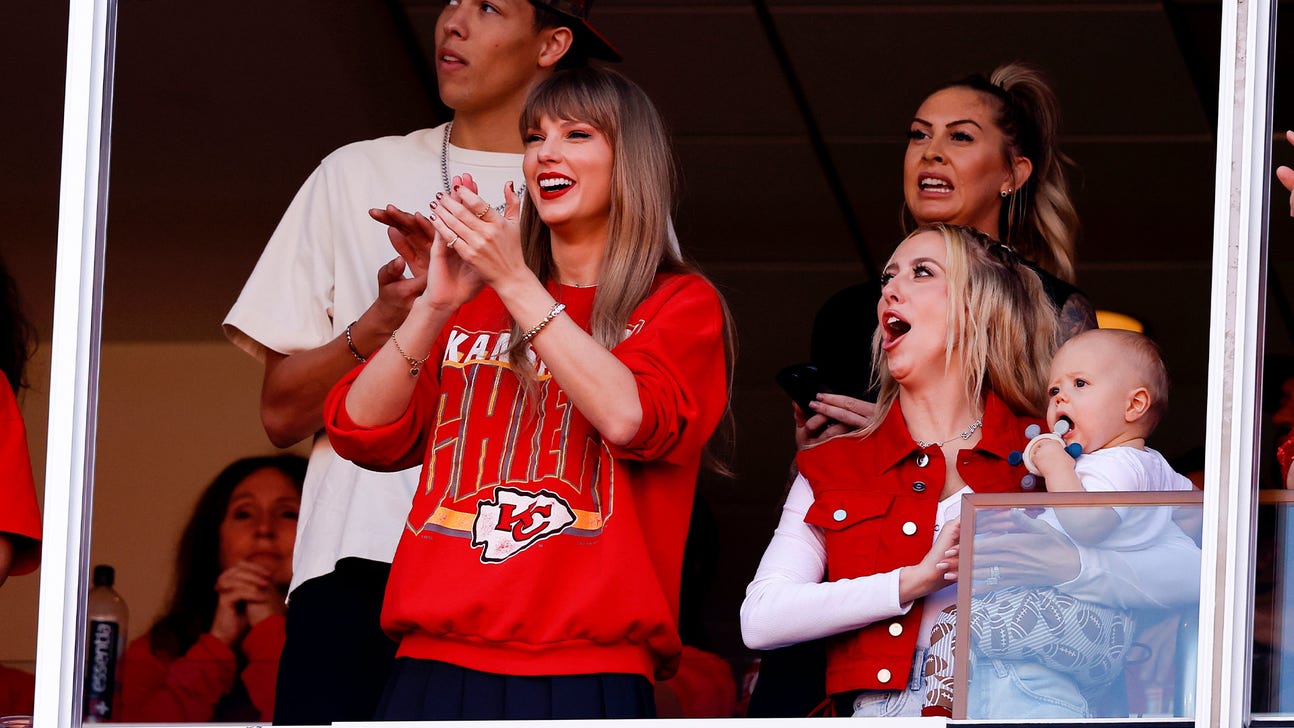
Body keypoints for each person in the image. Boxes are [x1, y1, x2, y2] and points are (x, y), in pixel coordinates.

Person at [221, 2, 619, 722]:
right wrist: (385, 321)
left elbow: (637, 411)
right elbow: (280, 413)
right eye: (451, 2)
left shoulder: (606, 192)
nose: (452, 23)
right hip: (358, 565)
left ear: (551, 43)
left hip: (540, 573)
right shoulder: (354, 173)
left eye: (489, 6)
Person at [323, 66, 731, 720]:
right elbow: (357, 428)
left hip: (588, 665)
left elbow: (629, 418)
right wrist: (434, 306)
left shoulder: (679, 303)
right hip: (432, 657)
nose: (547, 151)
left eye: (577, 134)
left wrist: (513, 283)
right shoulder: (475, 303)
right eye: (535, 135)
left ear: (631, 163)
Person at [741, 223, 1059, 717]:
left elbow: (1180, 569)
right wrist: (911, 581)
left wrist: (1070, 565)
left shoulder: (1046, 450)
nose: (890, 288)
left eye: (921, 272)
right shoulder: (834, 464)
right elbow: (760, 619)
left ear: (979, 307)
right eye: (889, 276)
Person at [801, 62, 1096, 446]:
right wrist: (811, 456)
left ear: (1013, 174)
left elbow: (1087, 463)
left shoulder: (1056, 307)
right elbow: (811, 485)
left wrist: (906, 439)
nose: (932, 152)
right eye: (919, 135)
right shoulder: (845, 314)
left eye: (960, 137)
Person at [921, 329, 1196, 717]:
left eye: (1080, 384)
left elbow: (1086, 523)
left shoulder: (1115, 464)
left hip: (1080, 611)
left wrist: (1055, 463)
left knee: (955, 624)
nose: (1060, 398)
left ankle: (939, 715)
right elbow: (1192, 515)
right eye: (1054, 391)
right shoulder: (1154, 466)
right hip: (1104, 623)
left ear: (1134, 405)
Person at [120, 455, 306, 723]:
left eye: (288, 513)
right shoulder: (159, 648)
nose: (264, 529)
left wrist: (269, 628)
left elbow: (304, 718)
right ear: (213, 538)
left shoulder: (348, 639)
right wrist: (216, 643)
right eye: (244, 514)